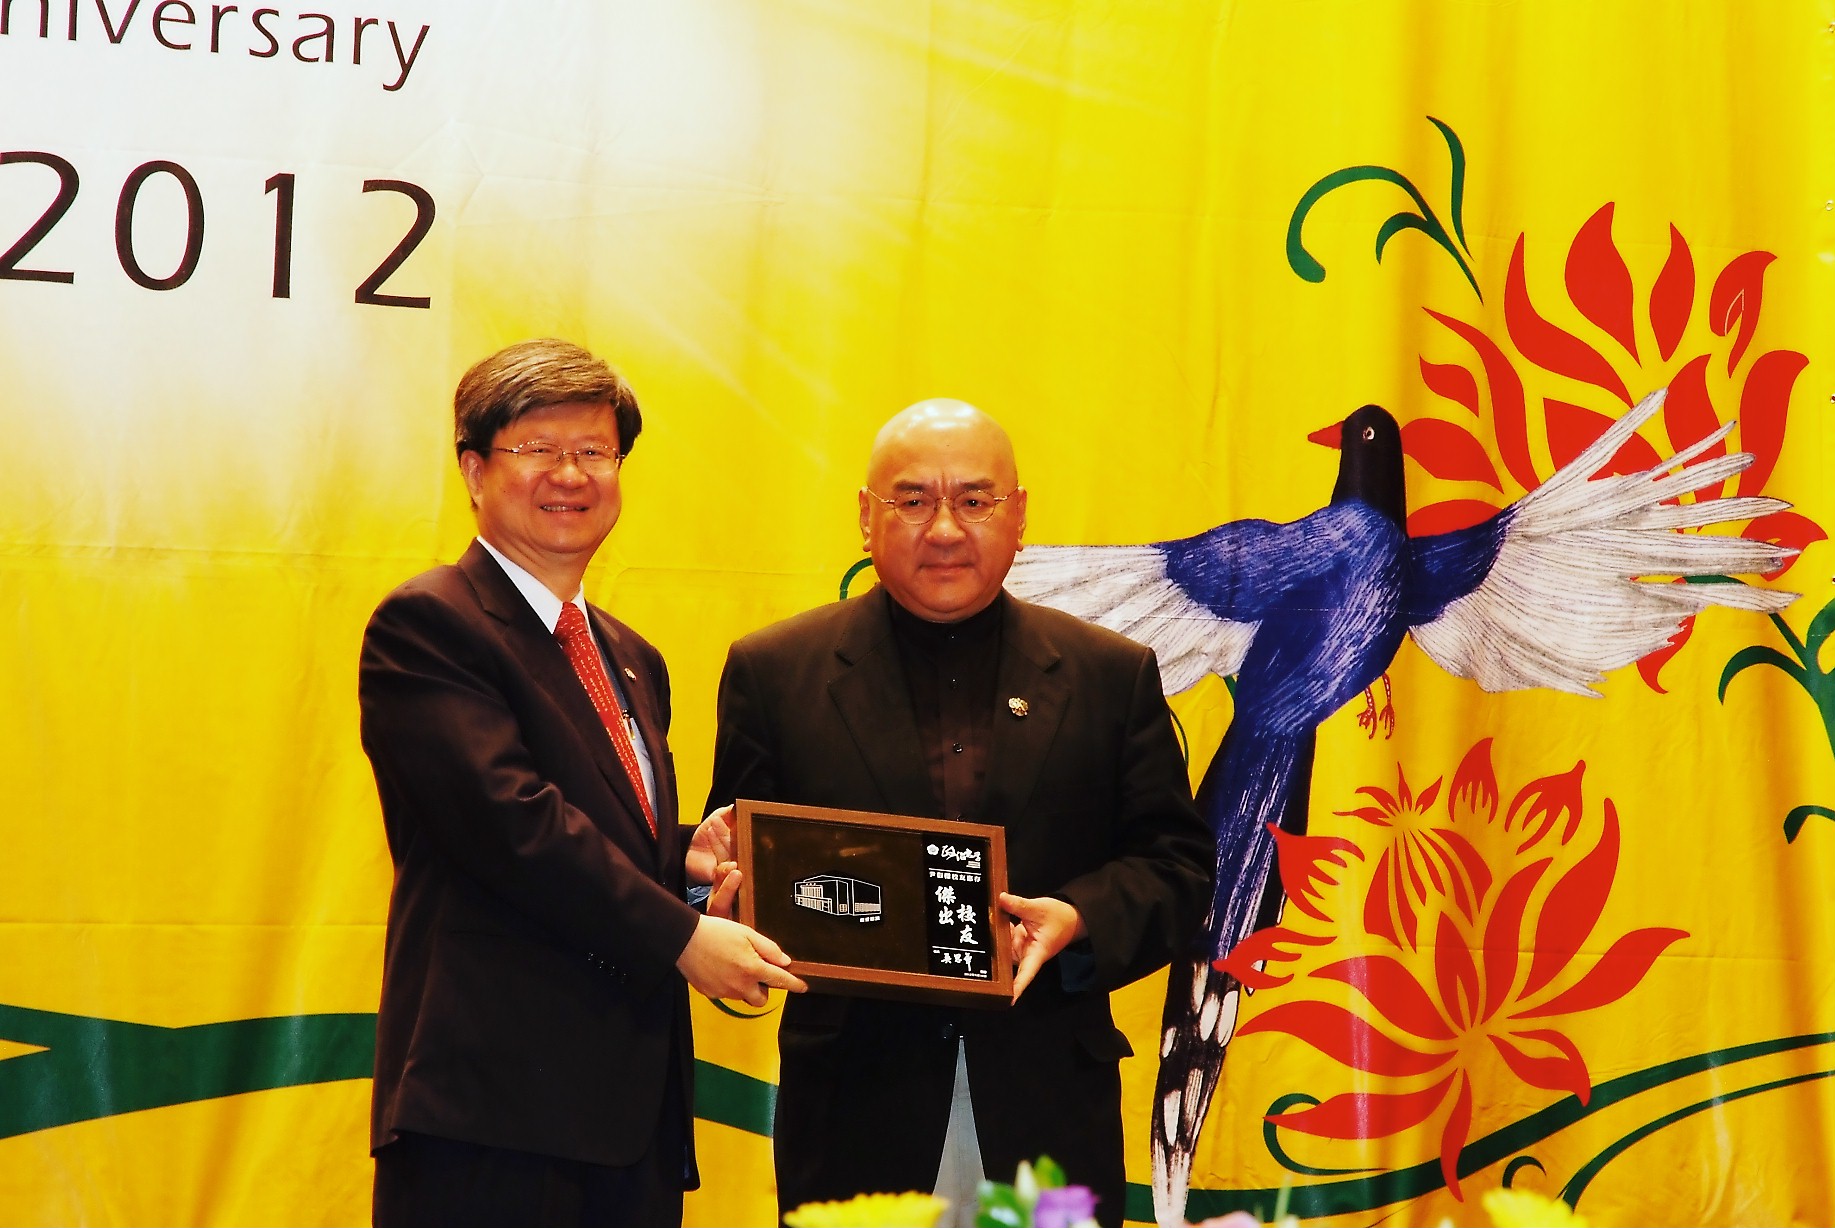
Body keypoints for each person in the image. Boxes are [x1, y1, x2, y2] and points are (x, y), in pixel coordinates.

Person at [703, 398, 1212, 1228]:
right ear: (865, 517)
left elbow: (1176, 867)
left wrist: (1076, 918)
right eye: (912, 500)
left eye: (974, 500)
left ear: (1018, 515)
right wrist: (721, 901)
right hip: (855, 1107)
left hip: (1046, 1097)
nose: (944, 529)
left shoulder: (1107, 675)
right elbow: (732, 860)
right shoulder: (776, 672)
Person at [359, 338, 805, 1228]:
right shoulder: (430, 624)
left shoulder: (631, 656)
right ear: (474, 470)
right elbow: (510, 827)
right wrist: (684, 935)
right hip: (492, 1116)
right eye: (537, 449)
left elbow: (600, 832)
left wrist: (684, 861)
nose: (570, 475)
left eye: (594, 451)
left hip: (628, 1119)